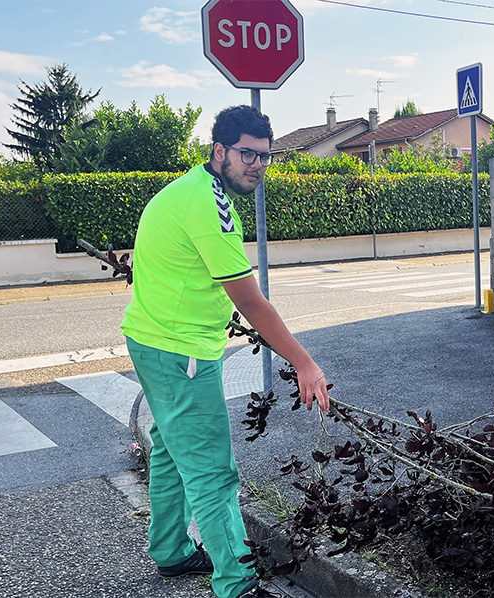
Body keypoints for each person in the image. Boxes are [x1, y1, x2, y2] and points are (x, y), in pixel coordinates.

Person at [121, 105, 329, 598]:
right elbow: (251, 300)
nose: (257, 165)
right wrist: (304, 363)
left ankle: (170, 551)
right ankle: (237, 583)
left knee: (173, 451)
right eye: (247, 155)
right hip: (180, 354)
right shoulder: (209, 207)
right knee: (213, 471)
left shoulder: (194, 189)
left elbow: (198, 277)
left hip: (153, 340)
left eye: (265, 157)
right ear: (220, 152)